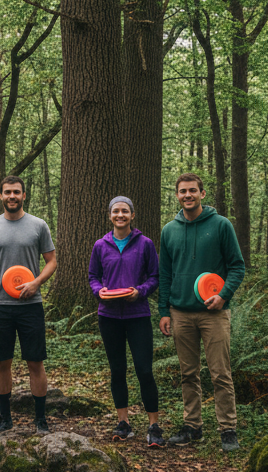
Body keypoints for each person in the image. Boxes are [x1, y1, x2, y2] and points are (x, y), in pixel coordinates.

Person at [156, 173, 246, 452]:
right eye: (182, 191)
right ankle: (192, 427)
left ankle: (228, 429)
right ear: (177, 196)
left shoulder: (221, 225)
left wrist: (224, 295)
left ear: (202, 194)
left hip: (214, 313)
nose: (187, 195)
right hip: (180, 312)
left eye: (192, 191)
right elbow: (165, 274)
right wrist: (164, 311)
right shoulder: (169, 230)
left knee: (220, 373)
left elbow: (237, 266)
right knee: (188, 373)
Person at [0, 176, 57, 435]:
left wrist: (37, 283)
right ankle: (4, 418)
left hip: (31, 305)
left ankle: (41, 419)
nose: (12, 196)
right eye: (8, 192)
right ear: (0, 196)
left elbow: (52, 261)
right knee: (2, 363)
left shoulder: (38, 225)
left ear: (24, 195)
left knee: (35, 362)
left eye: (17, 192)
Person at [87, 196, 162, 447]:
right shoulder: (100, 245)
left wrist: (140, 291)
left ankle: (154, 425)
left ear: (132, 215)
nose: (120, 215)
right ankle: (124, 423)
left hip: (138, 314)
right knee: (117, 370)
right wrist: (99, 292)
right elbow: (93, 276)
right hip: (108, 316)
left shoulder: (145, 244)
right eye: (116, 211)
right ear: (110, 215)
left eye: (125, 211)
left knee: (144, 370)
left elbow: (154, 276)